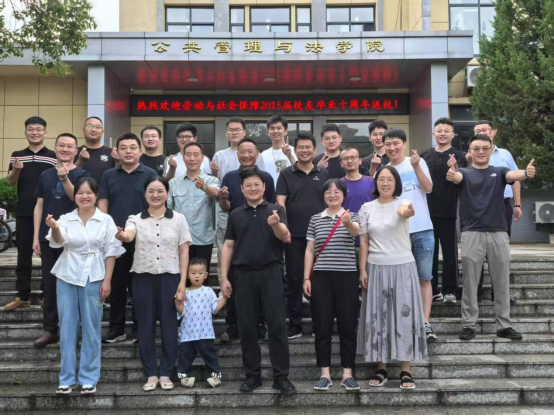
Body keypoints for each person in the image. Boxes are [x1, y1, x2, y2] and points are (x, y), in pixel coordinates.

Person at [447, 134, 534, 341]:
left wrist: (525, 173)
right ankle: (469, 325)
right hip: (472, 232)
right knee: (470, 282)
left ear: (491, 149)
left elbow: (512, 175)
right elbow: (455, 177)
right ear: (470, 151)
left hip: (498, 232)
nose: (481, 152)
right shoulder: (464, 173)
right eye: (476, 148)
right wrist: (451, 172)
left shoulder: (500, 171)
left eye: (485, 148)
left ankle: (504, 325)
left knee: (501, 281)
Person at [220, 168, 296, 395]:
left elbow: (285, 236)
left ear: (264, 187)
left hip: (271, 273)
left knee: (277, 326)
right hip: (243, 275)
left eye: (257, 185)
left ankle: (281, 377)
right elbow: (228, 246)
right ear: (241, 189)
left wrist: (275, 224)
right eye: (248, 185)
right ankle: (252, 376)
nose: (253, 188)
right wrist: (223, 277)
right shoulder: (236, 214)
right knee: (247, 327)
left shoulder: (276, 209)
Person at [46, 178, 124, 395]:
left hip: (95, 275)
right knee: (67, 326)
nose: (85, 196)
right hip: (67, 274)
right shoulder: (66, 218)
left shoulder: (105, 220)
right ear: (75, 196)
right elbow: (58, 241)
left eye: (89, 192)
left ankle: (89, 377)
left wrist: (107, 280)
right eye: (80, 193)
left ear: (96, 195)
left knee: (91, 326)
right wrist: (54, 227)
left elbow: (112, 251)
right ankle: (66, 378)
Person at [115, 176, 191, 392]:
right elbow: (129, 236)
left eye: (160, 191)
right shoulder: (135, 219)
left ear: (167, 193)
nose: (155, 195)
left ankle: (166, 372)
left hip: (170, 277)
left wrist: (182, 282)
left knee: (169, 328)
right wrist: (122, 235)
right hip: (142, 278)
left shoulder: (178, 219)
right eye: (151, 191)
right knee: (145, 328)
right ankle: (150, 373)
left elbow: (184, 251)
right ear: (145, 194)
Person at [358, 166, 428, 390]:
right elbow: (364, 242)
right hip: (376, 267)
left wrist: (406, 211)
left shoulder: (404, 202)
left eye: (390, 179)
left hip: (403, 267)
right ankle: (382, 368)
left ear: (396, 182)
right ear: (376, 183)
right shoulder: (367, 208)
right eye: (381, 179)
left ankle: (406, 369)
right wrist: (362, 270)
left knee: (404, 316)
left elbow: (406, 212)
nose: (385, 183)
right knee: (379, 317)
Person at [98, 133, 158, 344]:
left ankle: (140, 329)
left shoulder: (150, 174)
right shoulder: (109, 175)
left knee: (140, 288)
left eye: (133, 147)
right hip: (115, 239)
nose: (128, 151)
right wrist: (106, 230)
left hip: (143, 239)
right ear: (117, 152)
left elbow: (156, 203)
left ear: (140, 151)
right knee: (116, 286)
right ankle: (117, 328)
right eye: (123, 148)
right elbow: (103, 203)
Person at [33, 133, 91, 348]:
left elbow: (78, 199)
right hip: (48, 237)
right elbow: (39, 205)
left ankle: (75, 330)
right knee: (50, 284)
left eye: (70, 146)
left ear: (76, 150)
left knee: (75, 283)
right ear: (55, 148)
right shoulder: (45, 174)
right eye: (61, 146)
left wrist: (65, 178)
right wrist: (36, 236)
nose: (65, 149)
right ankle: (50, 329)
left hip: (74, 238)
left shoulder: (82, 174)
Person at [303, 179, 361, 392]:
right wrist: (306, 278)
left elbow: (356, 232)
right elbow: (310, 250)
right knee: (322, 326)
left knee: (348, 325)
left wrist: (347, 223)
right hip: (321, 277)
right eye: (328, 191)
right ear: (323, 196)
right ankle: (325, 374)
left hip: (347, 277)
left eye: (337, 191)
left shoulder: (352, 216)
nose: (332, 194)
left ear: (344, 195)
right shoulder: (315, 219)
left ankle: (348, 373)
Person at [218, 138, 276, 343]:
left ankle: (261, 325)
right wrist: (223, 198)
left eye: (250, 151)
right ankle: (232, 326)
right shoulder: (229, 177)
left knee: (260, 284)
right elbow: (225, 208)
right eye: (242, 151)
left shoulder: (266, 177)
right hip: (237, 232)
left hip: (262, 234)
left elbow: (271, 204)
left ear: (257, 154)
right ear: (237, 155)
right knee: (233, 280)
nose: (246, 155)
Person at [385, 128, 436, 342]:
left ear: (404, 144)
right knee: (399, 280)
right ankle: (403, 323)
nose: (392, 147)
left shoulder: (417, 162)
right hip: (397, 233)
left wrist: (416, 166)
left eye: (395, 143)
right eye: (388, 144)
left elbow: (428, 188)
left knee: (424, 278)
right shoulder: (384, 171)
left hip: (422, 229)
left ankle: (425, 323)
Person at [277, 133, 330, 340]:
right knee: (294, 279)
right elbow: (280, 203)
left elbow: (330, 202)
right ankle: (295, 324)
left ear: (314, 149)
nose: (305, 150)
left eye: (308, 147)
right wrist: (284, 228)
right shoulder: (286, 174)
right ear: (295, 150)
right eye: (301, 147)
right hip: (295, 235)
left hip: (321, 235)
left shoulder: (324, 174)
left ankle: (320, 324)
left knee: (320, 280)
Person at [4, 117, 57, 312]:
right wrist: (16, 170)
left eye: (39, 129)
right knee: (23, 255)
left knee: (48, 255)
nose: (35, 132)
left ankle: (46, 296)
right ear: (25, 132)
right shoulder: (17, 155)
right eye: (31, 129)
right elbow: (10, 181)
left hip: (49, 213)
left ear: (45, 132)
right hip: (25, 212)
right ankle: (22, 296)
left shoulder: (53, 156)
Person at [421, 118, 467, 304]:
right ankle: (432, 290)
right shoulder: (425, 155)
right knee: (429, 253)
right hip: (426, 212)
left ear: (452, 134)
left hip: (448, 211)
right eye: (439, 131)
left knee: (450, 253)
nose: (442, 134)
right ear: (434, 134)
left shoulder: (459, 156)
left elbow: (463, 179)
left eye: (446, 131)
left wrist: (455, 168)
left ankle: (450, 290)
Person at [474, 121, 520, 304]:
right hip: (478, 207)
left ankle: (499, 294)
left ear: (493, 132)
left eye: (484, 130)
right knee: (476, 251)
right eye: (477, 131)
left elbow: (516, 178)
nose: (481, 132)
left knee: (500, 252)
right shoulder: (471, 155)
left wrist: (517, 204)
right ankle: (475, 293)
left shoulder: (505, 154)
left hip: (502, 205)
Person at [168, 142, 220, 270]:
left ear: (202, 158)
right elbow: (168, 210)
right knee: (179, 277)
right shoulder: (173, 183)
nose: (192, 159)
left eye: (196, 155)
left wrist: (204, 187)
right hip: (178, 240)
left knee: (201, 278)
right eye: (188, 155)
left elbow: (216, 193)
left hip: (203, 239)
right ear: (183, 158)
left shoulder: (211, 180)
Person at [176, 257, 226, 389]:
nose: (197, 276)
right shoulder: (184, 292)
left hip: (206, 332)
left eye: (200, 273)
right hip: (188, 333)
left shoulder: (209, 292)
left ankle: (216, 375)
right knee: (185, 356)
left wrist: (225, 298)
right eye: (193, 273)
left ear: (206, 275)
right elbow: (181, 311)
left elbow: (215, 308)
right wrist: (178, 301)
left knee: (210, 355)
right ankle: (184, 376)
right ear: (187, 275)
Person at [212, 118, 245, 310]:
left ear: (244, 132)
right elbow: (215, 183)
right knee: (224, 250)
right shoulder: (219, 155)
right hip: (226, 207)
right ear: (226, 133)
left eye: (238, 129)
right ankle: (224, 287)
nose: (234, 132)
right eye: (231, 130)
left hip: (247, 206)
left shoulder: (251, 152)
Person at [340, 148, 376, 251]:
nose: (349, 161)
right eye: (346, 158)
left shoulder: (372, 182)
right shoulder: (338, 185)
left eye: (353, 157)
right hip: (346, 240)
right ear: (341, 163)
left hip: (370, 240)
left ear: (360, 160)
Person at [257, 115, 297, 189]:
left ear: (285, 131)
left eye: (279, 128)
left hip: (288, 192)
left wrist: (290, 156)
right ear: (268, 132)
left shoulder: (294, 152)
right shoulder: (263, 155)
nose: (275, 131)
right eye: (272, 128)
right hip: (268, 193)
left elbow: (299, 173)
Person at [75, 117, 116, 184]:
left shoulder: (111, 153)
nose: (93, 130)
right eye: (90, 126)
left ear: (102, 132)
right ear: (83, 130)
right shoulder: (75, 152)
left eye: (97, 127)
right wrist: (80, 161)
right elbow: (70, 175)